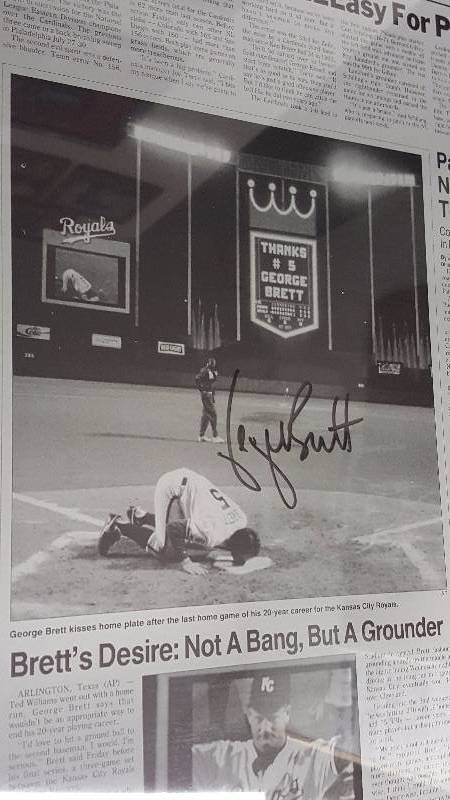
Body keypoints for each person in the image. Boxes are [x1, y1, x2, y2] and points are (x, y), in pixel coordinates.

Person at [192, 671, 355, 800]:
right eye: (258, 718)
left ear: (287, 714)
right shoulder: (222, 756)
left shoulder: (308, 756)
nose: (265, 727)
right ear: (249, 715)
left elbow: (348, 747)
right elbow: (177, 756)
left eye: (272, 717)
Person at [98, 467, 260, 575]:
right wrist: (186, 562)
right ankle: (119, 526)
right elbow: (174, 528)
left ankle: (141, 517)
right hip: (172, 489)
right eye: (243, 556)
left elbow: (223, 537)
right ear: (236, 549)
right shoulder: (211, 532)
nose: (243, 559)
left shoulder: (241, 519)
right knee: (167, 551)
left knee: (200, 541)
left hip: (189, 482)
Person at [195, 357, 224, 443]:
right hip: (206, 395)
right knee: (213, 414)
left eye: (214, 363)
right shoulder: (205, 371)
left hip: (210, 395)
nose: (213, 364)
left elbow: (212, 381)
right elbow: (197, 379)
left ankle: (201, 435)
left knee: (206, 416)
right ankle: (215, 436)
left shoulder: (212, 372)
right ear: (208, 363)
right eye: (212, 363)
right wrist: (202, 390)